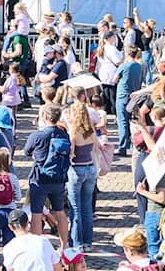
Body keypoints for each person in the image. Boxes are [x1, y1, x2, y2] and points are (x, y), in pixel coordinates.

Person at [24, 104, 70, 249]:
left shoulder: (37, 135)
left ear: (44, 117)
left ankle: (36, 247)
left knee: (36, 214)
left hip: (40, 179)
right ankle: (64, 245)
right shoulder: (64, 134)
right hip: (59, 179)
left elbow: (26, 151)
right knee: (60, 212)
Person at [66, 99, 100, 252]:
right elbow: (97, 147)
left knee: (75, 208)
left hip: (77, 169)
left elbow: (70, 153)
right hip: (90, 168)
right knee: (87, 207)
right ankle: (88, 242)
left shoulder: (73, 132)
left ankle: (77, 243)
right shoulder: (90, 130)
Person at [115, 47, 145, 157]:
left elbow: (114, 79)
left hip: (123, 95)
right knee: (133, 121)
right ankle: (135, 144)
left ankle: (122, 147)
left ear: (127, 54)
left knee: (122, 121)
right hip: (135, 96)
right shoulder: (139, 66)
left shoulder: (124, 66)